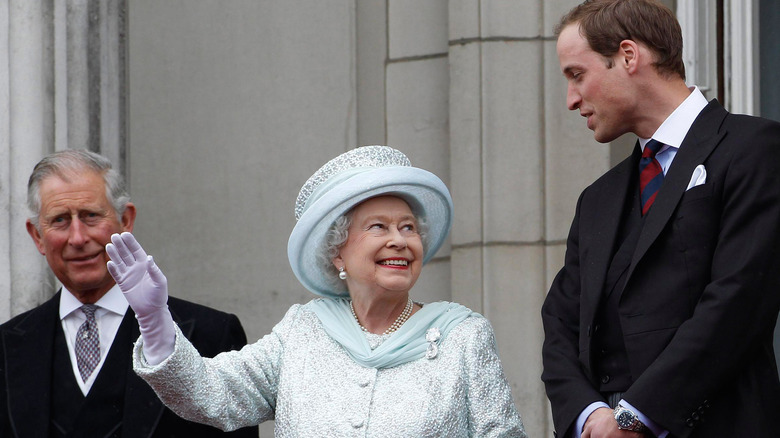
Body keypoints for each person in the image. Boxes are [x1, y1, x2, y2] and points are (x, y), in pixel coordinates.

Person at [105, 145, 527, 437]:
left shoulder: (464, 337)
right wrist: (155, 320)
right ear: (338, 253)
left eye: (409, 227)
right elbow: (214, 396)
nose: (399, 240)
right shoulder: (302, 332)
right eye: (378, 227)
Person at [541, 0, 780, 437]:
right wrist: (592, 417)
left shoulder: (755, 149)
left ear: (629, 56)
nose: (572, 100)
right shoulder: (598, 198)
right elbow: (560, 323)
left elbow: (737, 301)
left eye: (577, 75)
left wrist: (636, 415)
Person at [0, 149, 258, 437]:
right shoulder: (6, 346)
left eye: (91, 216)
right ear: (37, 236)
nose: (78, 237)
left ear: (126, 220)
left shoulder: (212, 337)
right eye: (60, 219)